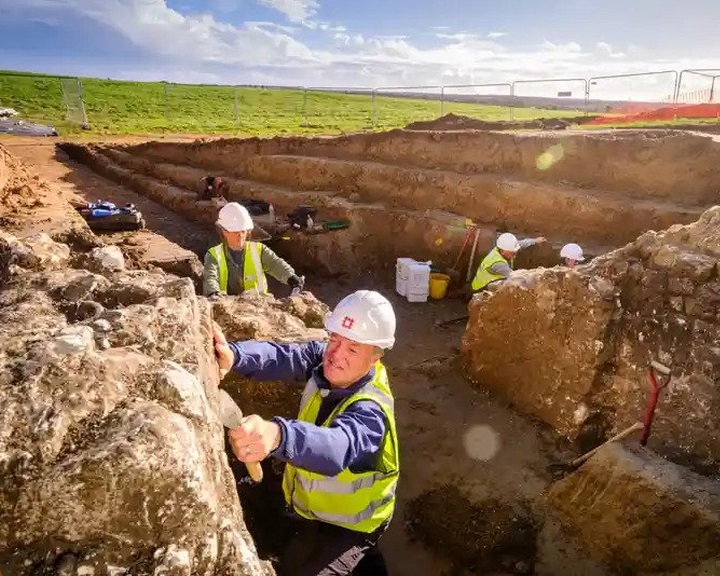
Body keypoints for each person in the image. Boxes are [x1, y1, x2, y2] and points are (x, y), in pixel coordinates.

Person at [213, 290, 398, 576]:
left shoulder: (371, 413)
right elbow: (282, 355)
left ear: (375, 357)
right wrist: (235, 355)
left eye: (352, 349)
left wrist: (278, 435)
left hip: (351, 527)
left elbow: (337, 447)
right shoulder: (325, 361)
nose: (336, 355)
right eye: (335, 340)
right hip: (308, 509)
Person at [203, 202, 302, 297]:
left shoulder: (259, 250)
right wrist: (213, 292)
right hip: (227, 308)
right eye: (235, 232)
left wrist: (291, 277)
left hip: (258, 307)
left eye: (243, 231)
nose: (240, 236)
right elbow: (210, 277)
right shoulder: (214, 255)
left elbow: (275, 264)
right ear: (224, 231)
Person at [471, 232, 546, 291]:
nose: (515, 254)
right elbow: (515, 277)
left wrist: (535, 241)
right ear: (503, 251)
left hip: (492, 281)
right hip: (481, 289)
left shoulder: (501, 248)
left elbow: (520, 244)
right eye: (513, 253)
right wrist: (537, 277)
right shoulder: (498, 264)